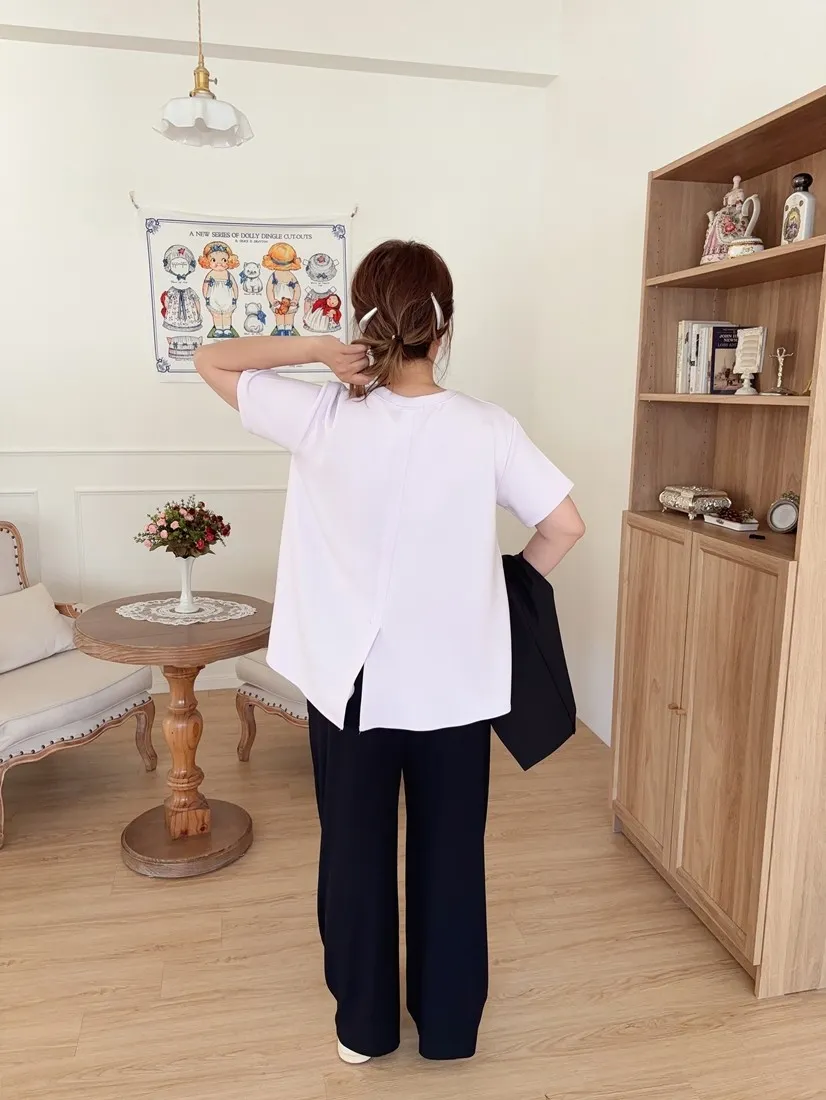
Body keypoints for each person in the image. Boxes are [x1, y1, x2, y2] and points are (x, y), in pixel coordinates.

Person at [194, 239, 585, 1065]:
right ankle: (448, 1030)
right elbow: (564, 527)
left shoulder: (322, 415)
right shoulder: (487, 427)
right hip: (458, 685)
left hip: (352, 684)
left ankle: (364, 1031)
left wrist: (315, 349)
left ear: (365, 321)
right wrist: (501, 592)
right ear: (445, 330)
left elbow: (212, 359)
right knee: (451, 859)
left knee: (355, 855)